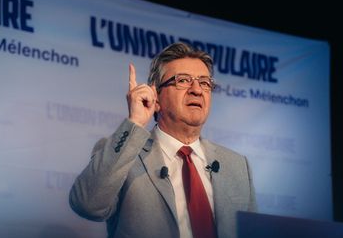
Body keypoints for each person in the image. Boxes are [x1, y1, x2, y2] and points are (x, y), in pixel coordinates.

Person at [69, 42, 257, 238]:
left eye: (204, 82)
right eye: (183, 80)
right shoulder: (124, 153)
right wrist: (135, 122)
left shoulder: (237, 166)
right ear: (156, 97)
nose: (197, 90)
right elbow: (86, 204)